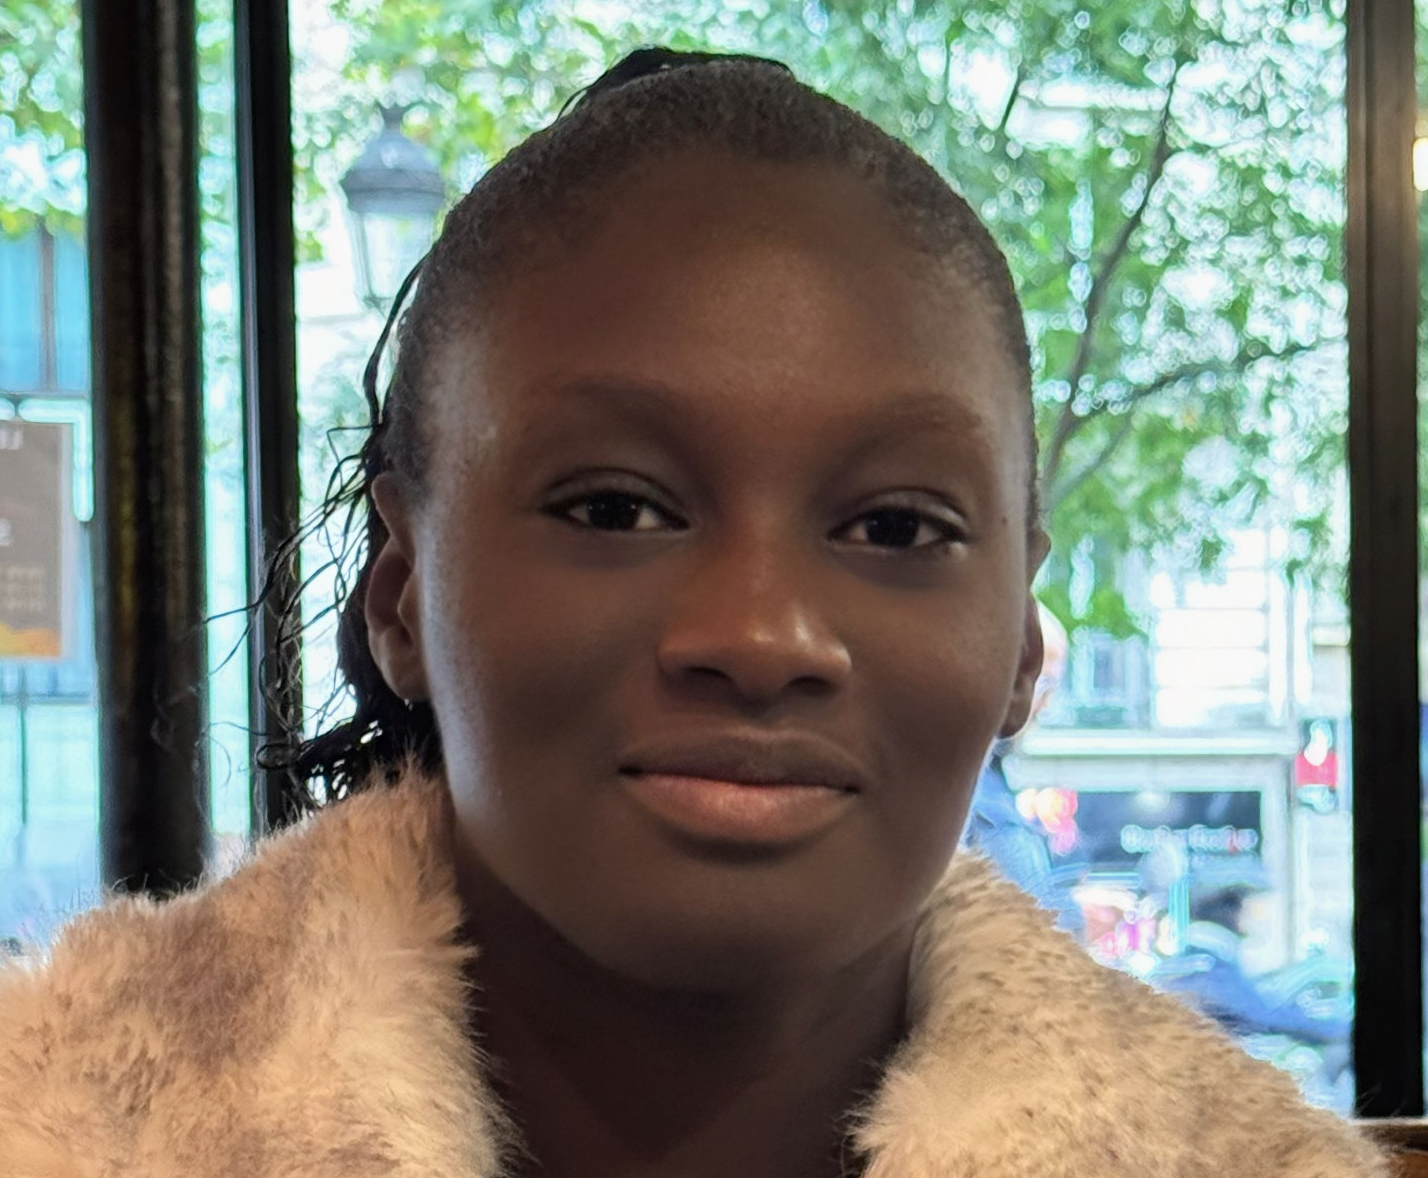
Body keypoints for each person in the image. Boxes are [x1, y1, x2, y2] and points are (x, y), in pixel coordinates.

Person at [0, 49, 1386, 1177]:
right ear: (401, 593)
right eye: (615, 507)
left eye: (896, 528)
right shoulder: (56, 1124)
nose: (763, 633)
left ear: (1023, 643)